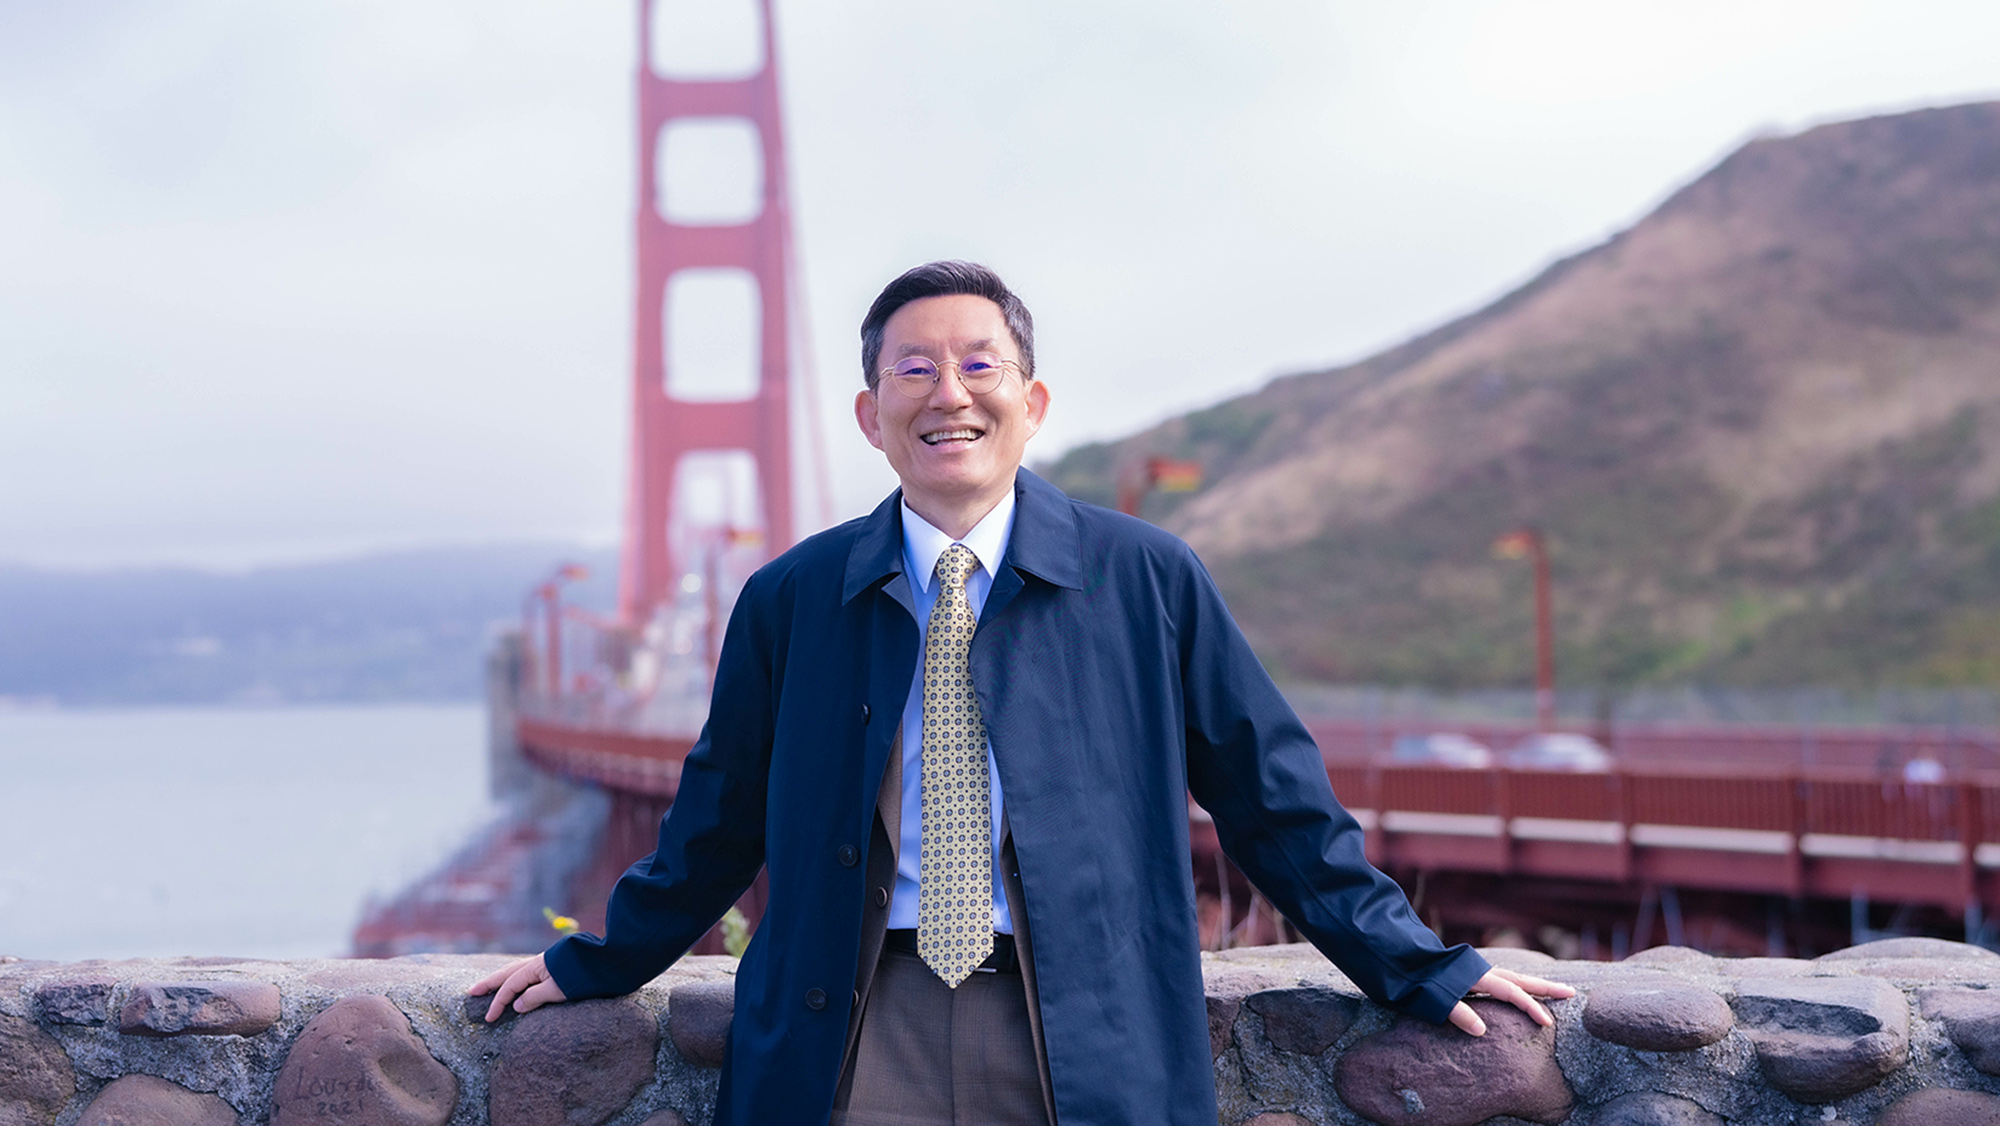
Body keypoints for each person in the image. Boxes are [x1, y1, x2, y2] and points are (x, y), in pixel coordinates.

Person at [472, 261, 1572, 1125]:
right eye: (912, 370)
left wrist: (1415, 962)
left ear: (1031, 400)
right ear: (869, 414)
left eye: (978, 366)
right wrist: (593, 959)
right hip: (856, 1026)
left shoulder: (1147, 579)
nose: (947, 394)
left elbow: (1273, 802)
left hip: (1082, 1033)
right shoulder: (789, 599)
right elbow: (714, 824)